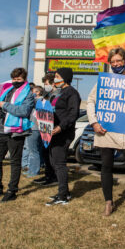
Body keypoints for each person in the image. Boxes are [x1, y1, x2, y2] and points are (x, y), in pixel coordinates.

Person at [87, 47, 125, 219]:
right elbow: (91, 101)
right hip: (105, 129)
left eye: (118, 61)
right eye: (112, 62)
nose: (115, 64)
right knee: (106, 166)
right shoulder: (103, 80)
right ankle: (108, 202)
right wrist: (94, 122)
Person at [0, 68, 35, 202]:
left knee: (15, 161)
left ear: (24, 79)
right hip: (1, 129)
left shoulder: (28, 93)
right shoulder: (7, 89)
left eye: (19, 79)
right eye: (14, 79)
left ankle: (12, 190)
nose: (16, 82)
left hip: (16, 132)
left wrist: (5, 105)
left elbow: (24, 111)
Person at [46, 68, 81, 206]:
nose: (55, 79)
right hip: (52, 132)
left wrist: (60, 127)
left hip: (63, 132)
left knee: (59, 164)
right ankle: (64, 191)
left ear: (65, 78)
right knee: (53, 161)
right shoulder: (58, 92)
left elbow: (73, 114)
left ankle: (62, 196)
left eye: (57, 76)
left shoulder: (72, 93)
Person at [33, 73, 59, 186]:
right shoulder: (48, 95)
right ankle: (48, 175)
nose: (45, 86)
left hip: (53, 128)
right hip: (45, 128)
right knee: (45, 153)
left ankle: (53, 177)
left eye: (46, 84)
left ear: (53, 83)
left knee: (51, 155)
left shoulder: (58, 95)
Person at [22, 86, 44, 177]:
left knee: (33, 151)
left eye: (34, 91)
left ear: (38, 92)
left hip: (35, 128)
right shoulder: (39, 101)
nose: (32, 93)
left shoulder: (39, 101)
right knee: (34, 150)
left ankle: (34, 171)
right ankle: (32, 169)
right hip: (33, 127)